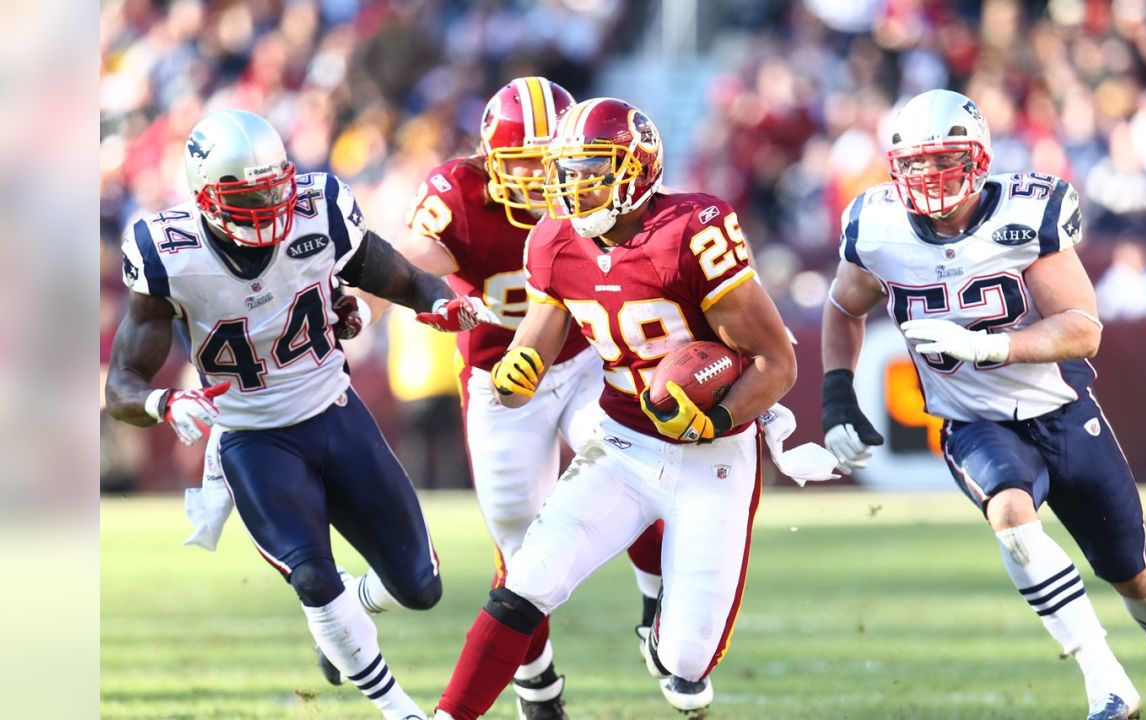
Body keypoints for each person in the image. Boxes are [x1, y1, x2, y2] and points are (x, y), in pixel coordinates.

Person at [104, 109, 497, 720]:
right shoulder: (167, 252)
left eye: (274, 187)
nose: (267, 205)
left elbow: (393, 272)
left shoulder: (320, 207)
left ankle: (349, 615)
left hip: (332, 411)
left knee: (420, 586)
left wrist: (437, 303)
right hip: (253, 437)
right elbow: (121, 385)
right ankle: (399, 709)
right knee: (314, 579)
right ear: (206, 196)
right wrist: (164, 401)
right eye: (247, 194)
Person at [430, 97, 798, 720]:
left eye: (591, 169)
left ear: (636, 170)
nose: (574, 185)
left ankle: (669, 639)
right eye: (567, 171)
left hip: (712, 452)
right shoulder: (554, 239)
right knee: (526, 580)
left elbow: (778, 361)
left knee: (685, 660)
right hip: (622, 441)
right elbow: (538, 337)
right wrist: (520, 369)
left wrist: (717, 418)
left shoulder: (691, 230)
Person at [820, 89, 1146, 720]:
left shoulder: (1025, 214)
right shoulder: (875, 227)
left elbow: (1083, 326)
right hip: (971, 420)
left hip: (1060, 408)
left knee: (1133, 572)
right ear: (894, 167)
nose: (930, 178)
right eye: (916, 164)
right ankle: (1107, 683)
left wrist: (992, 347)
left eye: (946, 160)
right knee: (1011, 515)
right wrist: (836, 394)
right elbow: (845, 306)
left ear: (979, 158)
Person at [394, 76, 665, 719]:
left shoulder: (592, 192)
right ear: (490, 159)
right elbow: (414, 250)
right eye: (520, 165)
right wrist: (420, 286)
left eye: (550, 165)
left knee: (633, 462)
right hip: (499, 381)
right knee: (518, 542)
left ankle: (658, 595)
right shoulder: (456, 191)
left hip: (579, 364)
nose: (540, 183)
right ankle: (538, 680)